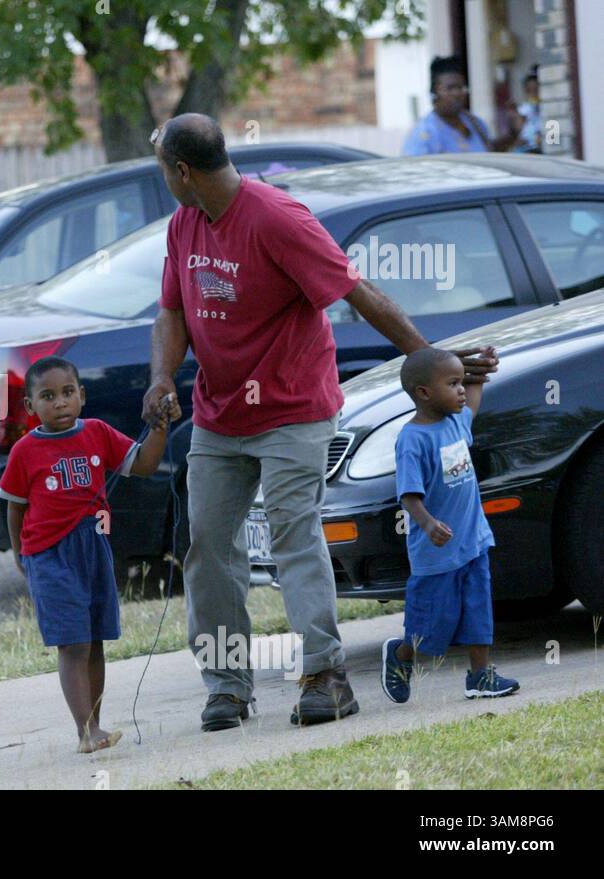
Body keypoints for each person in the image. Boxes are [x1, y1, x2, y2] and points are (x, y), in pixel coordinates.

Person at [142, 114, 499, 730]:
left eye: (161, 167)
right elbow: (172, 312)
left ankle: (326, 675)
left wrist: (434, 362)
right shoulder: (184, 224)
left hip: (292, 408)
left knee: (293, 535)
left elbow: (358, 294)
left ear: (182, 171)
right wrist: (159, 378)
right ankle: (227, 686)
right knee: (208, 546)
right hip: (219, 414)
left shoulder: (277, 217)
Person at [0, 356, 173, 753]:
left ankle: (95, 723)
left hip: (94, 548)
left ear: (82, 395)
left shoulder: (97, 433)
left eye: (67, 393)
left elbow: (143, 464)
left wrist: (160, 428)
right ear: (30, 407)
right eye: (47, 396)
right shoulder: (25, 451)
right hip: (49, 556)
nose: (59, 403)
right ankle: (84, 732)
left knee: (94, 640)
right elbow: (15, 506)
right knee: (72, 643)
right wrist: (19, 553)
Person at [381, 347, 519, 702]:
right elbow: (409, 496)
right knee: (431, 627)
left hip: (473, 541)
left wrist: (481, 371)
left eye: (461, 382)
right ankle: (400, 656)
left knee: (479, 613)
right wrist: (428, 525)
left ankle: (480, 677)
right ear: (424, 393)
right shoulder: (412, 439)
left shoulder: (456, 423)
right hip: (436, 553)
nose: (461, 390)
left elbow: (471, 400)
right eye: (453, 383)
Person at [402, 56, 519, 155]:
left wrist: (513, 133)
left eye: (461, 88)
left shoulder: (475, 123)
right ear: (434, 92)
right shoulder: (424, 132)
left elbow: (489, 154)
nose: (457, 94)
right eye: (450, 88)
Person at [513, 66, 542, 154]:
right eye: (529, 90)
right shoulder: (524, 108)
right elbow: (520, 129)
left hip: (542, 151)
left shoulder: (550, 108)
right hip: (527, 150)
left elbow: (553, 141)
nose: (533, 93)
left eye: (535, 89)